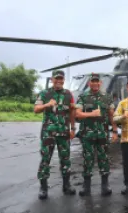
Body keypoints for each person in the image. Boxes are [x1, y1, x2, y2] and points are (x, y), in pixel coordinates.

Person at [34, 70, 76, 200]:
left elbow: (72, 112)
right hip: (48, 133)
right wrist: (47, 104)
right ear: (52, 79)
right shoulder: (45, 93)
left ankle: (66, 185)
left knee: (65, 159)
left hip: (63, 133)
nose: (59, 81)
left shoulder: (69, 94)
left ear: (63, 80)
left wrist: (73, 128)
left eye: (61, 79)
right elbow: (36, 109)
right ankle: (43, 187)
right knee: (45, 159)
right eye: (56, 78)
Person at [75, 73, 118, 196]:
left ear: (100, 83)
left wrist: (115, 131)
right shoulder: (83, 97)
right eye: (92, 81)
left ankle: (105, 184)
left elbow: (111, 116)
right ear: (89, 83)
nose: (94, 83)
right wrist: (91, 114)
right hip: (87, 135)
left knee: (103, 159)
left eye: (97, 81)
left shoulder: (107, 97)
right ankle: (86, 185)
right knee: (87, 159)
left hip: (102, 135)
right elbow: (77, 114)